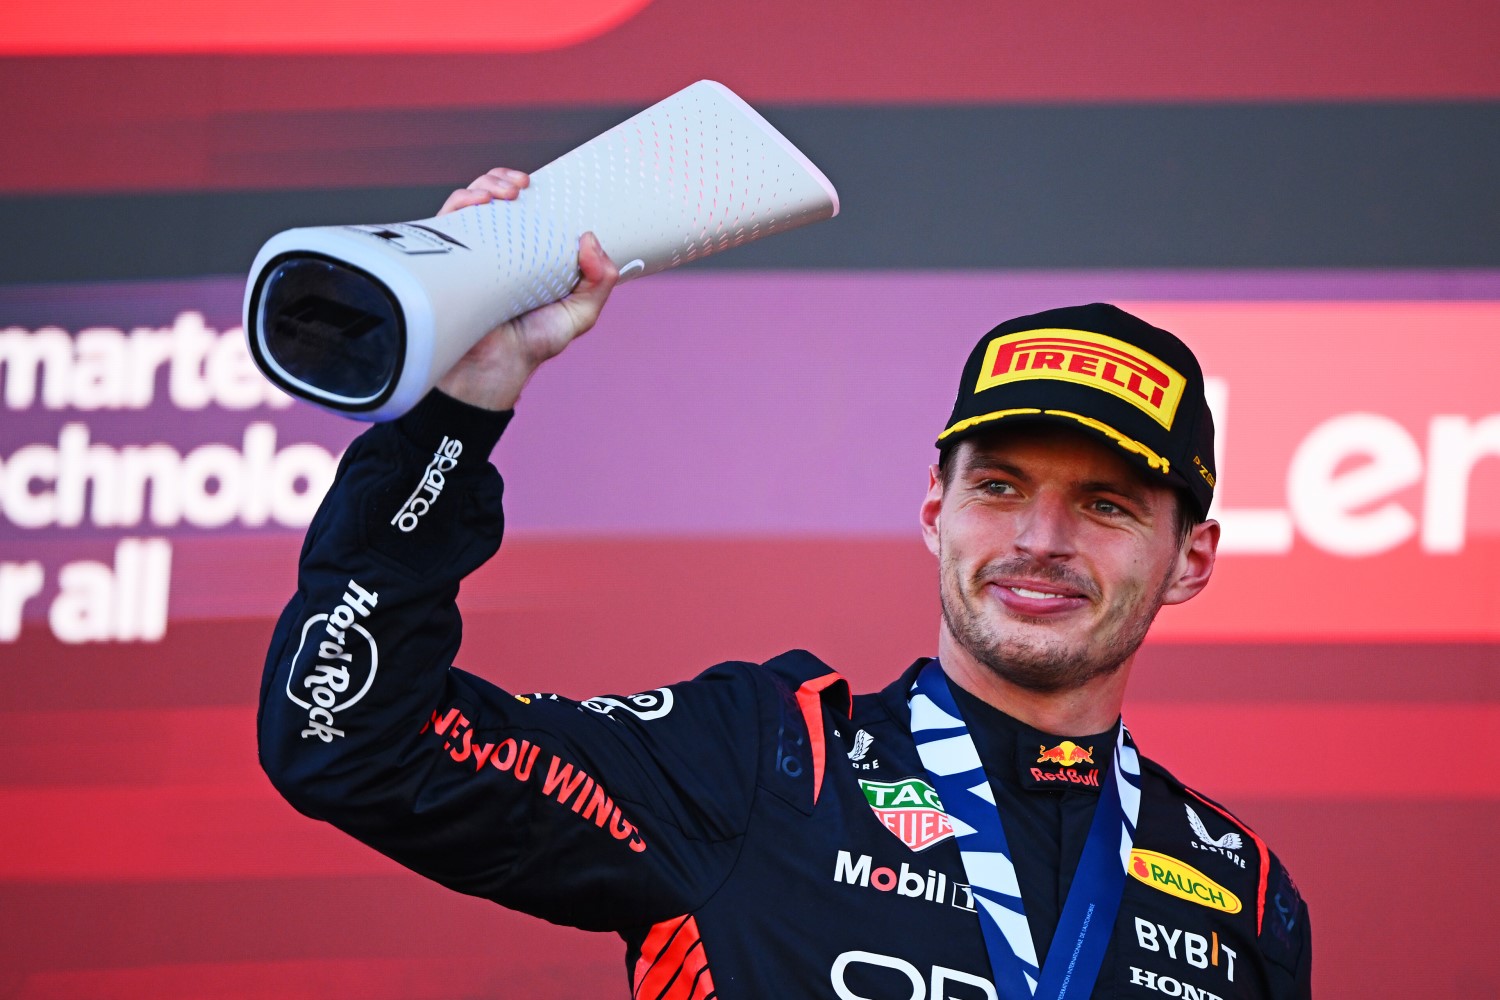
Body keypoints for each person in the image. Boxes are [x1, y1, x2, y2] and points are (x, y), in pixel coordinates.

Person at [259, 169, 1311, 999]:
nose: (1039, 536)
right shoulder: (766, 765)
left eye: (1106, 504)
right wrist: (456, 412)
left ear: (1192, 559)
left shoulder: (1242, 895)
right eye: (998, 486)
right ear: (936, 512)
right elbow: (351, 740)